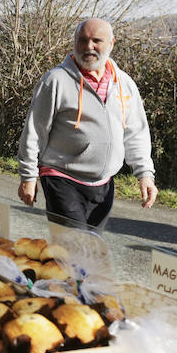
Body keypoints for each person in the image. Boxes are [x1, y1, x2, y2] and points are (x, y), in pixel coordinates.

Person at [17, 18, 158, 229]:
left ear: (111, 43)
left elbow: (135, 132)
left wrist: (145, 174)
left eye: (96, 41)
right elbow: (34, 132)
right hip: (61, 177)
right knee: (75, 249)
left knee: (89, 251)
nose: (88, 47)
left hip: (103, 184)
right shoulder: (55, 81)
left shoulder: (124, 84)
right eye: (82, 40)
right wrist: (28, 176)